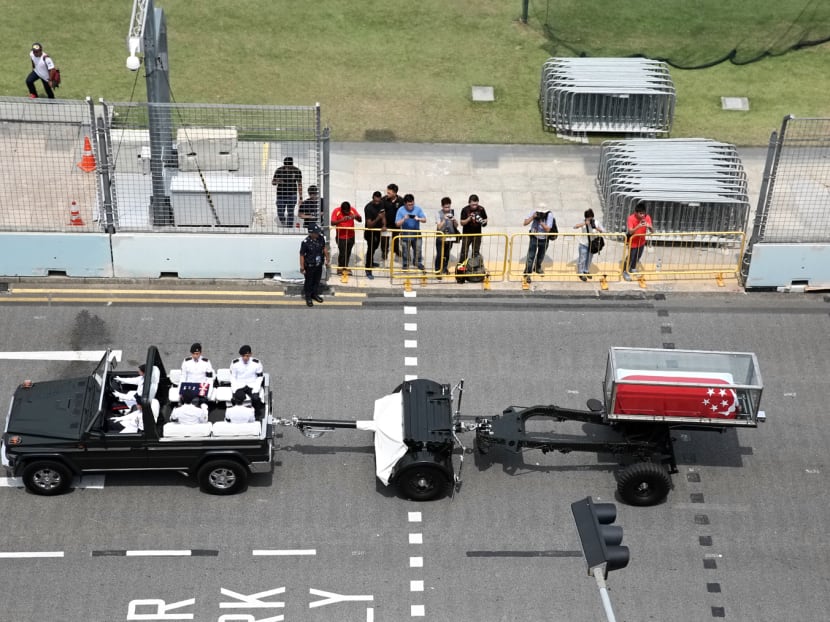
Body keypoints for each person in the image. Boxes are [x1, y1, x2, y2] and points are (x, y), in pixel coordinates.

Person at [300, 224, 330, 307]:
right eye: (316, 233)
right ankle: (308, 297)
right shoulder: (305, 242)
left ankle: (314, 294)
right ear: (311, 233)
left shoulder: (321, 238)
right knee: (309, 282)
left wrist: (327, 258)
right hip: (309, 266)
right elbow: (302, 255)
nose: (318, 234)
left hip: (318, 265)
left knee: (317, 281)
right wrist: (302, 267)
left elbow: (324, 248)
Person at [523, 203, 555, 281]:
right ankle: (527, 273)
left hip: (544, 239)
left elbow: (548, 229)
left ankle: (537, 268)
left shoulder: (549, 215)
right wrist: (532, 217)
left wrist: (541, 223)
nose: (540, 214)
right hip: (534, 237)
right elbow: (525, 223)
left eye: (542, 213)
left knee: (541, 256)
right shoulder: (534, 212)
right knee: (531, 256)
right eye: (539, 212)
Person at [229, 345, 264, 416]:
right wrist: (235, 389)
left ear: (251, 354)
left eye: (247, 356)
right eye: (243, 356)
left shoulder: (256, 363)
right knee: (237, 399)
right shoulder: (235, 363)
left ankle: (256, 415)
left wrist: (256, 389)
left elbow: (259, 377)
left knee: (256, 398)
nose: (245, 358)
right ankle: (237, 415)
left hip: (252, 384)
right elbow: (233, 377)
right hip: (239, 385)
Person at [395, 194, 427, 270]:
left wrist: (418, 219)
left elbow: (425, 220)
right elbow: (397, 224)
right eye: (409, 205)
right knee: (405, 250)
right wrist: (404, 219)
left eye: (412, 204)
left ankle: (417, 262)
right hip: (405, 235)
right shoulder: (400, 210)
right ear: (405, 204)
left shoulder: (418, 209)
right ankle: (405, 263)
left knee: (418, 249)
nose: (411, 206)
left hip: (416, 234)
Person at [331, 201, 362, 275]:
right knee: (342, 253)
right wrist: (342, 220)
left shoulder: (352, 210)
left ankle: (345, 266)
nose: (347, 214)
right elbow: (332, 223)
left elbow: (360, 220)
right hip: (341, 237)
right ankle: (340, 268)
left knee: (348, 252)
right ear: (342, 210)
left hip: (351, 236)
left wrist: (355, 216)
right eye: (345, 212)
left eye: (348, 212)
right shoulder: (336, 211)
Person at [271, 156, 302, 228]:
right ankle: (283, 221)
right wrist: (278, 181)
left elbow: (299, 184)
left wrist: (301, 197)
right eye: (286, 167)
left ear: (292, 165)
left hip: (292, 195)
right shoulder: (279, 170)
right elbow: (273, 182)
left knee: (290, 212)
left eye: (289, 167)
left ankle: (289, 228)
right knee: (280, 212)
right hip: (281, 195)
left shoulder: (296, 171)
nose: (287, 168)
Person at [624, 205, 653, 281]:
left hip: (642, 242)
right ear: (636, 213)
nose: (643, 215)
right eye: (641, 213)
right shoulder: (631, 218)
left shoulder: (647, 217)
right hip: (633, 242)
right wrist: (639, 226)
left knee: (638, 257)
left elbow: (652, 231)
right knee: (630, 257)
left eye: (644, 213)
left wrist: (649, 226)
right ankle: (625, 271)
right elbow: (630, 231)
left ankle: (633, 268)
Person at [574, 208, 604, 281]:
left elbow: (603, 230)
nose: (590, 220)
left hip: (592, 245)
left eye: (591, 218)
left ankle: (586, 270)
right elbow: (575, 227)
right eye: (588, 218)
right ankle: (581, 273)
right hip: (583, 244)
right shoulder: (583, 222)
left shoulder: (596, 222)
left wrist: (596, 228)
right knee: (582, 259)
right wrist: (585, 223)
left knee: (589, 259)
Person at [380, 183, 404, 262]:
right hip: (386, 224)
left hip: (396, 224)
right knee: (384, 240)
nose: (387, 194)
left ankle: (396, 250)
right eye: (387, 192)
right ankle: (384, 252)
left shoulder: (401, 201)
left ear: (394, 193)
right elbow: (381, 212)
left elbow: (403, 212)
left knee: (396, 239)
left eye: (389, 193)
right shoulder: (383, 200)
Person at [363, 191, 385, 280]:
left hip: (377, 231)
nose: (377, 203)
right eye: (375, 201)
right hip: (370, 232)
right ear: (373, 198)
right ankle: (368, 269)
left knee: (375, 247)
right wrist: (378, 218)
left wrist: (384, 225)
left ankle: (371, 262)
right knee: (370, 249)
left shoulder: (381, 204)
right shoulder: (368, 208)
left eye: (378, 201)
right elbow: (369, 225)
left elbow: (383, 215)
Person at [434, 197, 459, 276]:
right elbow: (439, 227)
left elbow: (456, 226)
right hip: (441, 237)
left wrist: (454, 220)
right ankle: (437, 270)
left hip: (450, 237)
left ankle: (444, 268)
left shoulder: (453, 212)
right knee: (439, 254)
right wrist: (444, 220)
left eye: (449, 207)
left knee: (447, 254)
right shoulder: (438, 213)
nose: (447, 209)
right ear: (442, 206)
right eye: (445, 207)